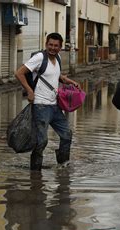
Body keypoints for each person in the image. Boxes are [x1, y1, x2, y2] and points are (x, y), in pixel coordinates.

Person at [15, 33, 79, 171]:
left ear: (60, 47)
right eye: (50, 45)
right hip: (40, 106)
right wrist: (29, 91)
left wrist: (68, 81)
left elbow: (55, 76)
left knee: (67, 134)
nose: (53, 48)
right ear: (46, 44)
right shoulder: (39, 58)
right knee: (42, 141)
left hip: (55, 106)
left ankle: (63, 165)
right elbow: (19, 73)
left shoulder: (58, 58)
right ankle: (35, 173)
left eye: (56, 46)